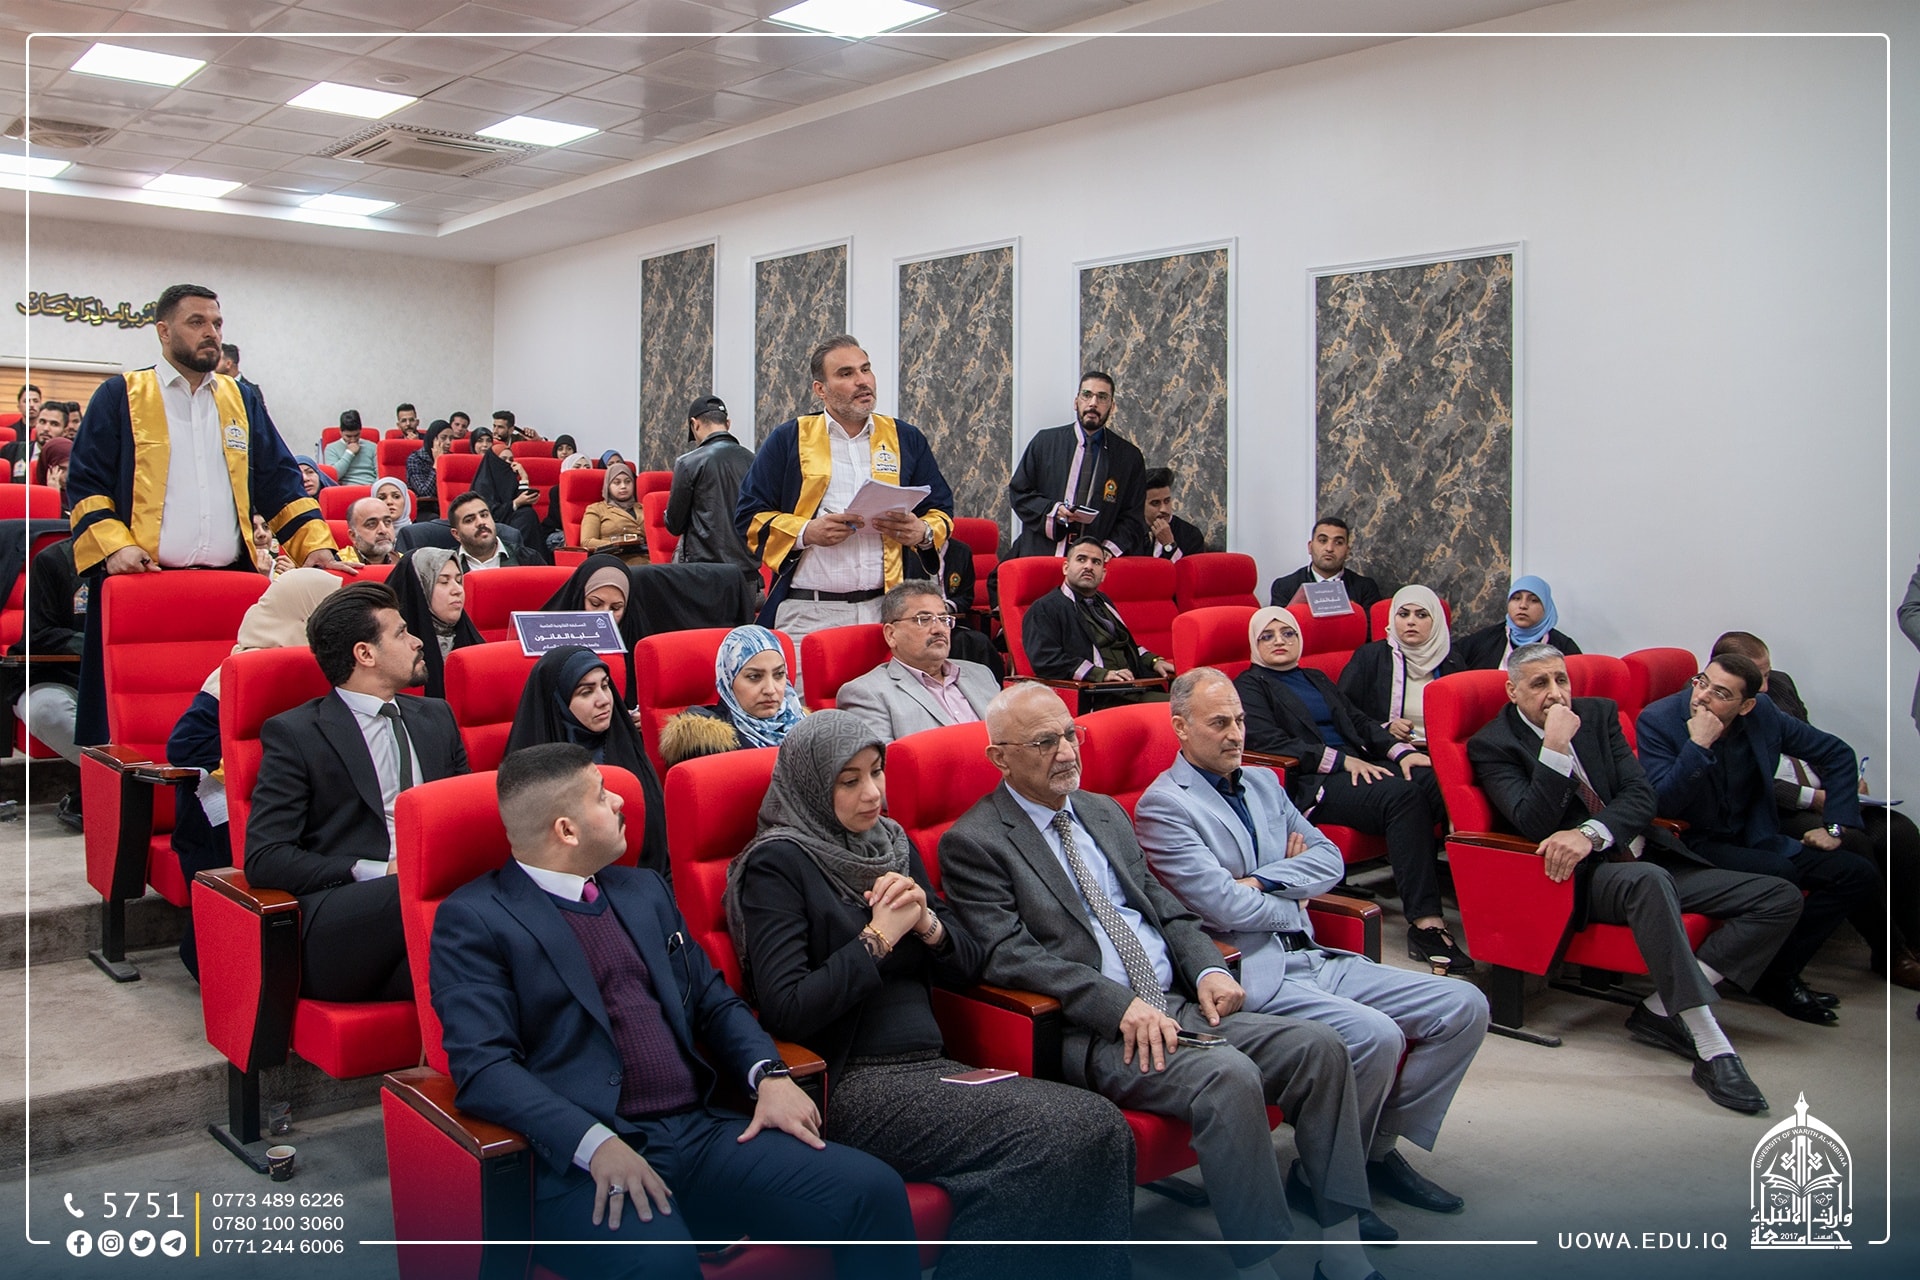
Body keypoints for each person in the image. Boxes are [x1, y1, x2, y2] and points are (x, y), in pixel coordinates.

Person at [938, 682, 1382, 1280]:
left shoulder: (1102, 811)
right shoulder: (976, 841)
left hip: (1177, 1003)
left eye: (1070, 735)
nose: (1066, 752)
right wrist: (1117, 1004)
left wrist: (1208, 968)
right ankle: (1263, 1264)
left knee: (1321, 1048)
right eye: (1044, 743)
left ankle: (1344, 1249)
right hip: (1099, 1031)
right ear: (1000, 757)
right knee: (1229, 1076)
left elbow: (1166, 909)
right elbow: (1007, 956)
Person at [429, 743, 918, 1280]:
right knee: (660, 1262)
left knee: (873, 1191)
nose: (621, 801)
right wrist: (594, 1144)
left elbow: (712, 1000)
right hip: (586, 1158)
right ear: (566, 830)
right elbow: (484, 1068)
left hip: (698, 1131)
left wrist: (769, 1074)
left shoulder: (642, 890)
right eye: (602, 796)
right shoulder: (475, 919)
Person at [729, 711, 1135, 1279]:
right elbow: (787, 1008)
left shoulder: (890, 844)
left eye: (877, 772)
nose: (872, 794)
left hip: (935, 1065)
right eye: (849, 781)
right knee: (1065, 1133)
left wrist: (928, 926)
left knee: (1102, 1128)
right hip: (853, 1079)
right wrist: (877, 938)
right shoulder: (777, 863)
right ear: (812, 786)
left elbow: (967, 964)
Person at [1138, 669, 1488, 1218]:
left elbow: (1330, 860)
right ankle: (1322, 1177)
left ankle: (1374, 1150)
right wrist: (1293, 893)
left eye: (1240, 720)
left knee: (1464, 1005)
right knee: (1375, 1036)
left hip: (1315, 952)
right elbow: (1221, 907)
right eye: (1219, 723)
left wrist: (1262, 881)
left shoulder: (1264, 782)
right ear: (1181, 727)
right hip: (1255, 968)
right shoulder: (1164, 806)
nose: (1236, 734)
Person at [1469, 644, 1801, 1110]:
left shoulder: (1598, 715)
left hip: (1643, 856)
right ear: (1512, 691)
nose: (1556, 693)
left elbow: (1642, 796)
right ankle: (1712, 1046)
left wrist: (1591, 833)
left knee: (1779, 896)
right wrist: (1555, 748)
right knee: (1649, 880)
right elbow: (1534, 823)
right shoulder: (1493, 744)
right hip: (1582, 880)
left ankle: (1661, 1010)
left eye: (1561, 680)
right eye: (1540, 684)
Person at [66, 282, 344, 746]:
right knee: (133, 720)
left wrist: (314, 547)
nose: (211, 332)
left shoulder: (241, 398)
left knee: (224, 718)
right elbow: (86, 484)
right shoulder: (121, 395)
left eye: (217, 323)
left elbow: (279, 481)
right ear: (163, 331)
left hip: (226, 589)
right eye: (196, 322)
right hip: (143, 586)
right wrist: (115, 548)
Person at [245, 582, 470, 1002]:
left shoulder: (437, 717)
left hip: (432, 912)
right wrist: (377, 871)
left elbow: (463, 819)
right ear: (365, 654)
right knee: (424, 893)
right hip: (345, 915)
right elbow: (266, 858)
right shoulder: (296, 734)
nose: (418, 641)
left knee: (465, 965)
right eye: (401, 633)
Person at [1636, 651, 1875, 1026]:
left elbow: (1837, 753)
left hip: (1755, 835)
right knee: (1780, 873)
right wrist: (1698, 747)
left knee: (1856, 874)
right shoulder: (1660, 719)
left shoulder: (1763, 714)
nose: (1702, 697)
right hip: (1693, 845)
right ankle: (1775, 978)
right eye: (1702, 682)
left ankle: (1774, 973)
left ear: (1746, 705)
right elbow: (1662, 803)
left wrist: (1834, 826)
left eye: (1720, 693)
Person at [1234, 607, 1467, 973]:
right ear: (1254, 643)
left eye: (1288, 634)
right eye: (1268, 636)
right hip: (1313, 781)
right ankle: (1426, 924)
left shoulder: (1314, 677)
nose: (1280, 641)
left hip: (1358, 764)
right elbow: (1268, 742)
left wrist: (1401, 752)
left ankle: (1477, 904)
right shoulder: (1249, 685)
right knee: (1403, 797)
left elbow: (1357, 720)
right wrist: (1341, 761)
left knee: (1433, 781)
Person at [1709, 631, 1917, 989]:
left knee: (1898, 831)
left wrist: (1844, 786)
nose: (1766, 685)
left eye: (1768, 673)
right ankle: (1891, 952)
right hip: (1775, 807)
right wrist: (1813, 798)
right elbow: (1746, 779)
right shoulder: (1714, 700)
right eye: (1758, 677)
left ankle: (1915, 945)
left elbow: (1814, 743)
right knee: (1852, 844)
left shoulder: (1779, 687)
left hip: (1822, 792)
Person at [165, 568, 343, 978]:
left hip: (290, 799)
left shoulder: (318, 666)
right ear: (304, 616)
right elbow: (184, 746)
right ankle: (212, 965)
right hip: (219, 807)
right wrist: (268, 765)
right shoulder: (236, 671)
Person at [736, 334, 954, 638]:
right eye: (846, 373)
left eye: (866, 369)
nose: (862, 381)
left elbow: (941, 509)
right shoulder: (790, 439)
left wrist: (924, 532)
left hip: (888, 611)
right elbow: (748, 517)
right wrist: (806, 532)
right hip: (809, 612)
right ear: (820, 389)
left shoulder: (905, 438)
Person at [505, 646, 669, 879]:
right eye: (586, 692)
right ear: (559, 702)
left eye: (605, 686)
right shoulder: (531, 772)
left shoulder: (628, 747)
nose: (603, 700)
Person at [835, 580, 998, 741]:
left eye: (944, 619)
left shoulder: (981, 674)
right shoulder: (867, 694)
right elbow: (884, 757)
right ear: (891, 634)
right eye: (924, 619)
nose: (939, 629)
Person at [1006, 371, 1146, 559]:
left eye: (1102, 397)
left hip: (1094, 563)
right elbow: (1020, 493)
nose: (1093, 403)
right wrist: (1054, 511)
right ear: (1076, 402)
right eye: (1087, 395)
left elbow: (1133, 517)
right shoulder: (1045, 443)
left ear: (1112, 407)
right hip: (1043, 555)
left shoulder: (1128, 457)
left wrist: (1106, 551)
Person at [1020, 537, 1174, 708]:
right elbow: (1046, 660)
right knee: (1183, 708)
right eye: (1081, 559)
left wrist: (1154, 661)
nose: (1089, 566)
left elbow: (1124, 643)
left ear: (1103, 575)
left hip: (1135, 687)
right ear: (1066, 568)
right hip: (1100, 696)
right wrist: (1100, 674)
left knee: (1192, 695)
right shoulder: (1045, 608)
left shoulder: (1103, 601)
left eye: (1096, 562)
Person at [12, 537, 85, 828]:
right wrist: (99, 644)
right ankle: (130, 782)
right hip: (57, 677)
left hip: (132, 682)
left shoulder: (155, 563)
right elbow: (38, 635)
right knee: (47, 711)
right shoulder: (53, 560)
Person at [660, 626, 805, 769]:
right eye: (754, 677)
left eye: (779, 674)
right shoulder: (706, 742)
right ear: (728, 681)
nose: (770, 690)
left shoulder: (803, 724)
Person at [1337, 586, 1464, 746]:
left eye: (1421, 615)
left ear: (1436, 621)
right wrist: (1385, 728)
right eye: (1403, 614)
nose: (1411, 621)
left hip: (1444, 749)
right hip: (1387, 749)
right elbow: (1344, 710)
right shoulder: (1370, 657)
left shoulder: (1451, 660)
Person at [666, 395, 757, 588]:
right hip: (747, 576)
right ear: (728, 423)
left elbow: (674, 525)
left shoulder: (688, 463)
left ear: (695, 424)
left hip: (704, 576)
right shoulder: (755, 461)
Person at [541, 555, 642, 700]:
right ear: (580, 597)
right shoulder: (545, 634)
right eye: (595, 604)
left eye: (616, 608)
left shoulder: (638, 641)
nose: (604, 615)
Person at [388, 547, 481, 700]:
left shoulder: (473, 642)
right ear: (420, 588)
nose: (457, 590)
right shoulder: (391, 653)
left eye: (459, 581)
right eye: (444, 582)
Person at [1456, 575, 1581, 670]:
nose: (1523, 605)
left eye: (1533, 600)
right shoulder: (1485, 640)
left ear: (1546, 607)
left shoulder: (1564, 647)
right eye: (1516, 598)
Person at [1269, 517, 1383, 613]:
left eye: (1338, 542)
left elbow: (1369, 629)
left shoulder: (1365, 587)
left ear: (1347, 551)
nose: (1329, 548)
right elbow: (1278, 628)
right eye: (1323, 541)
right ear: (1310, 547)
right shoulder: (1284, 586)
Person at [469, 425, 549, 562]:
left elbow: (524, 505)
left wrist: (524, 478)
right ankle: (519, 559)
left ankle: (528, 560)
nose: (508, 463)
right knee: (526, 516)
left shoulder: (509, 478)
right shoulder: (483, 484)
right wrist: (516, 503)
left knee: (527, 514)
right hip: (491, 524)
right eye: (504, 459)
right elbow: (489, 513)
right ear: (494, 461)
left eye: (511, 460)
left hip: (511, 521)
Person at [1131, 466, 1207, 561]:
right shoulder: (1127, 532)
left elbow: (1188, 570)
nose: (1164, 509)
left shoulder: (1190, 534)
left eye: (1167, 501)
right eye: (1155, 503)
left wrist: (1169, 544)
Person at [447, 490, 536, 572]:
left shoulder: (528, 559)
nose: (481, 522)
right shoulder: (445, 565)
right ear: (456, 534)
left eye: (484, 515)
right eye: (469, 520)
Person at [580, 461, 647, 562]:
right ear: (608, 486)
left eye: (628, 481)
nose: (623, 486)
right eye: (617, 482)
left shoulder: (644, 508)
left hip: (647, 557)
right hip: (615, 560)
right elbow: (587, 542)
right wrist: (617, 544)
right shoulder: (596, 509)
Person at [4, 398, 63, 480]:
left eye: (54, 424)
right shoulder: (11, 450)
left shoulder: (69, 460)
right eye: (42, 422)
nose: (46, 428)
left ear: (65, 430)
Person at [409, 419, 451, 519]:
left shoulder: (451, 458)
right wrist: (437, 462)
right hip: (425, 509)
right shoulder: (415, 459)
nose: (448, 442)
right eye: (443, 438)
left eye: (451, 438)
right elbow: (425, 492)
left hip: (449, 507)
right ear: (433, 439)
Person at [323, 410, 378, 486]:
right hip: (346, 488)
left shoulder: (373, 447)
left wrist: (376, 486)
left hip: (370, 485)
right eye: (348, 436)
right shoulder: (331, 448)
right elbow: (333, 476)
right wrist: (349, 453)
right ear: (341, 432)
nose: (353, 440)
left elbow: (380, 473)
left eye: (356, 435)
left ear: (360, 431)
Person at [340, 496, 399, 566]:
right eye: (371, 524)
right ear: (353, 536)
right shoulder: (340, 564)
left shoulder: (404, 561)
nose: (383, 530)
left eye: (387, 522)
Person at [33, 436, 74, 513]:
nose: (67, 477)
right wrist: (53, 495)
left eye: (71, 468)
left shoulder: (82, 492)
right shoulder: (31, 498)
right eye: (61, 469)